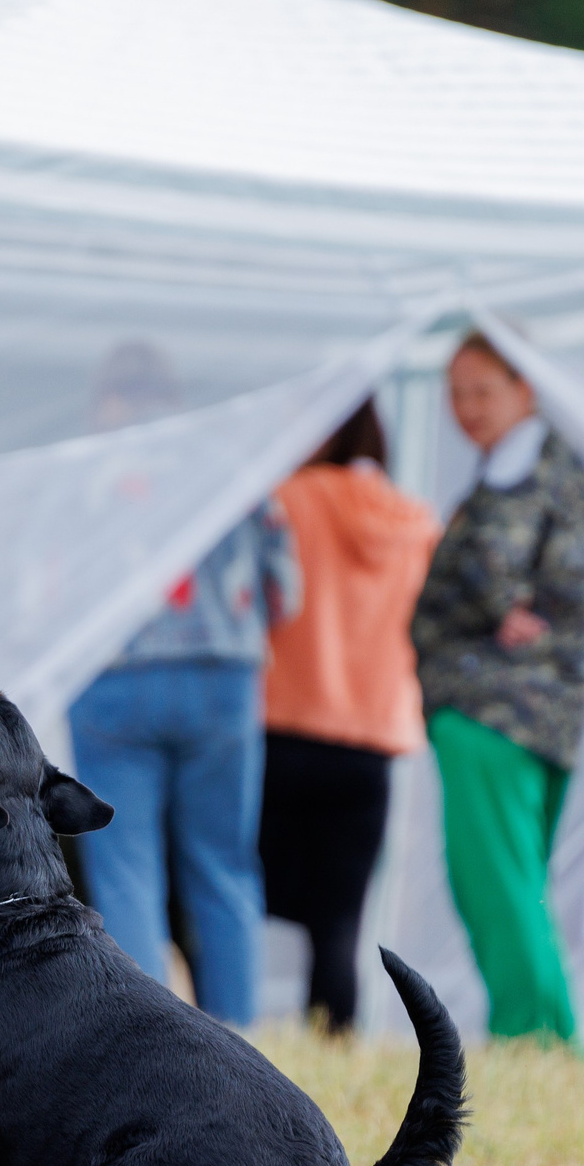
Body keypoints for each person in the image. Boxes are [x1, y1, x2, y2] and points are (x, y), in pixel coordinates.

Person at [69, 347, 301, 1025]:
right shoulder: (228, 465)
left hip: (113, 681)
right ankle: (242, 1034)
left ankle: (155, 1034)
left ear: (105, 396)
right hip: (221, 678)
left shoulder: (82, 473)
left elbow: (41, 595)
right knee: (224, 864)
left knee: (127, 871)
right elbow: (285, 589)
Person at [411, 333, 584, 1044]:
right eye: (456, 393)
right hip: (528, 718)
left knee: (496, 885)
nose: (467, 408)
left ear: (527, 387)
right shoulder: (528, 472)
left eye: (482, 390)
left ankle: (538, 1035)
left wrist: (494, 608)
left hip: (494, 715)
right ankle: (538, 1030)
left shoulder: (531, 475)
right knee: (514, 883)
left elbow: (507, 574)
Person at [259, 400, 440, 1032]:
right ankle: (335, 1041)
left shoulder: (289, 498)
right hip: (372, 742)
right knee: (339, 922)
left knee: (239, 892)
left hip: (283, 727)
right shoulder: (416, 519)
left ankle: (229, 1032)